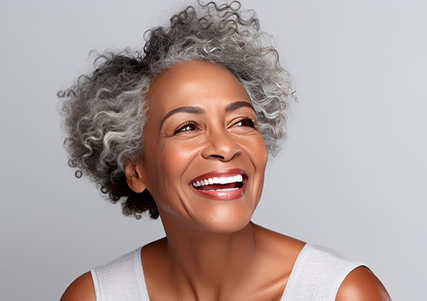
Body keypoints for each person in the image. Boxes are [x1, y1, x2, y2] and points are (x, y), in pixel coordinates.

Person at [59, 1, 390, 300]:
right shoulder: (96, 296)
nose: (225, 146)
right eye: (187, 127)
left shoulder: (340, 293)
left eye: (242, 122)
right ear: (136, 171)